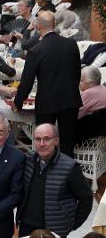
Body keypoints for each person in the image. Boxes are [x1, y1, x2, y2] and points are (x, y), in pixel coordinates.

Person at [12, 11, 82, 156]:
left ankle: (45, 173)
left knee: (44, 145)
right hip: (70, 99)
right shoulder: (71, 44)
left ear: (37, 27)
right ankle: (66, 175)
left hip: (47, 102)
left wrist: (18, 103)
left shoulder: (36, 50)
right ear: (54, 25)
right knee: (68, 145)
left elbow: (27, 81)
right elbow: (77, 73)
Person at [17, 124, 92, 238]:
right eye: (38, 139)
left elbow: (86, 197)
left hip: (54, 232)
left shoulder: (69, 167)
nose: (42, 144)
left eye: (47, 139)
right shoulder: (28, 160)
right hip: (26, 228)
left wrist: (72, 224)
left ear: (56, 140)